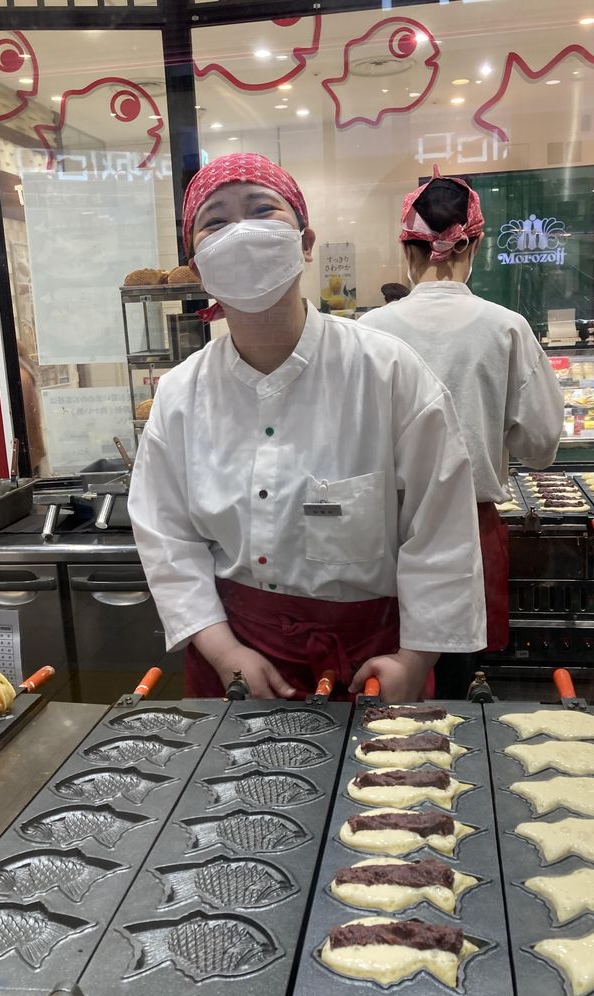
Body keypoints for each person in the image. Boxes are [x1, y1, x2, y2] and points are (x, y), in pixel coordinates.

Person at [128, 153, 486, 702]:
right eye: (216, 221)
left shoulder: (388, 372)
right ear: (198, 269)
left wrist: (415, 659)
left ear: (306, 242)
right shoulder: (180, 394)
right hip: (232, 663)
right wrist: (223, 652)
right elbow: (166, 538)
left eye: (261, 210)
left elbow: (442, 526)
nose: (241, 231)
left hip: (373, 665)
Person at [360, 167, 563, 693]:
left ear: (406, 248)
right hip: (468, 527)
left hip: (380, 532)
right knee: (453, 690)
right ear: (473, 244)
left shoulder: (368, 332)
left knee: (382, 685)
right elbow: (540, 446)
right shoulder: (506, 328)